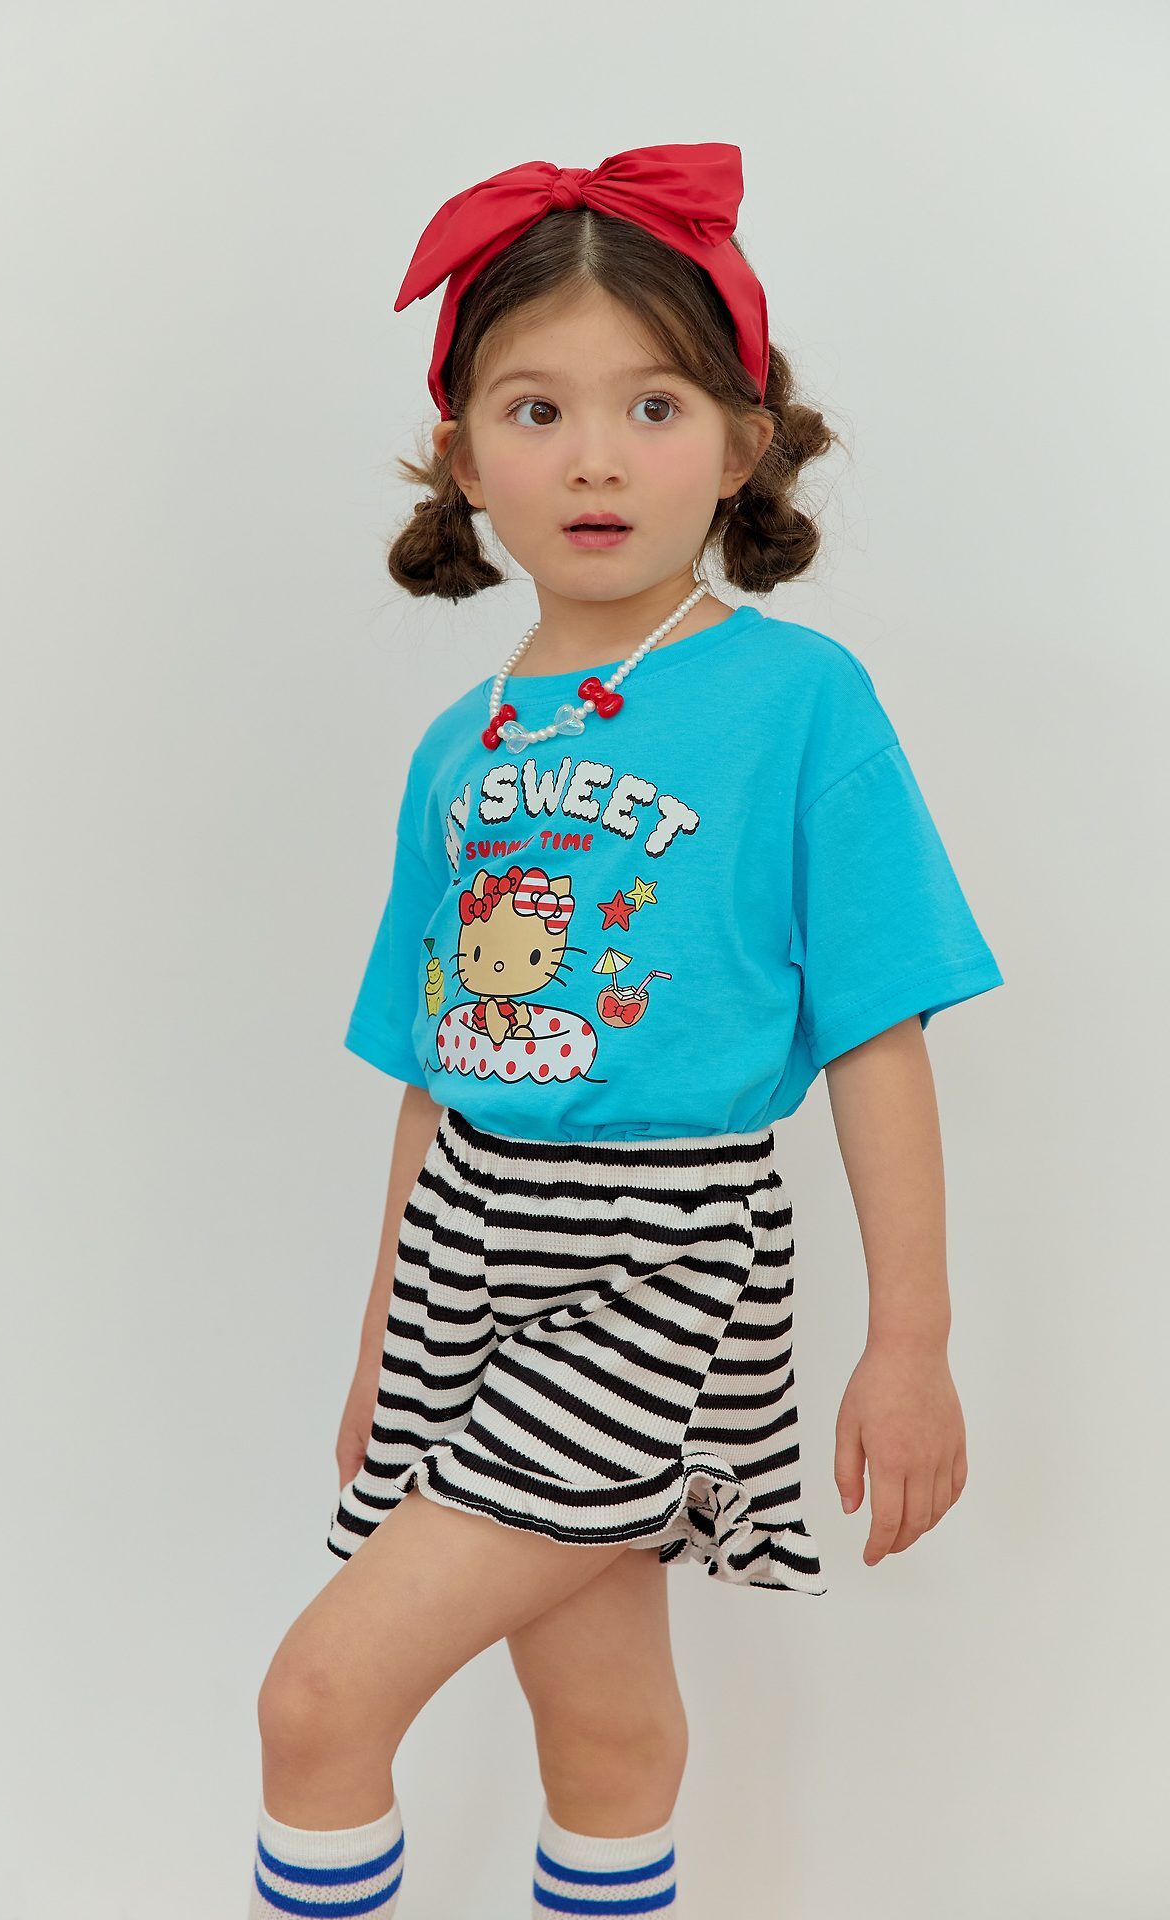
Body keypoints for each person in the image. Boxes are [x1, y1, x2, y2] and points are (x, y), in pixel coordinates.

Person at [246, 142, 1005, 1918]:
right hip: (467, 1246)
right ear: (465, 457)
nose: (594, 456)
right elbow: (431, 1075)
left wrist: (912, 1340)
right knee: (601, 1724)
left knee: (318, 1699)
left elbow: (877, 1032)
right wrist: (381, 1343)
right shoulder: (463, 745)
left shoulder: (797, 699)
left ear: (742, 443)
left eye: (652, 405)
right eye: (538, 408)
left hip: (659, 1252)